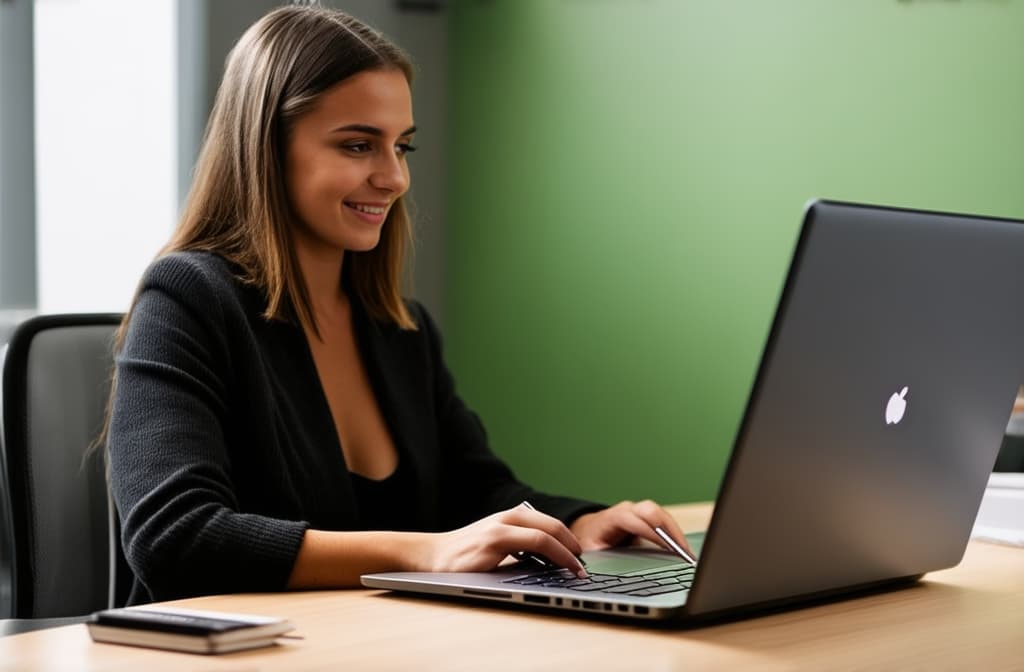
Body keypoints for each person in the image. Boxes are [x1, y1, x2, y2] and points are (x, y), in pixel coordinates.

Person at [106, 4, 691, 605]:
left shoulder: (398, 328)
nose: (394, 178)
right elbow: (175, 539)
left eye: (402, 147)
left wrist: (581, 525)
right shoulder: (185, 299)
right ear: (266, 150)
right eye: (358, 145)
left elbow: (477, 491)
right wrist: (425, 552)